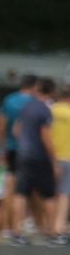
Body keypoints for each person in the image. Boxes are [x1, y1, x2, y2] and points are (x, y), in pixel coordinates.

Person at [11, 77, 65, 244]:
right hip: (39, 156)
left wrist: (25, 144)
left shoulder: (27, 106)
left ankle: (16, 232)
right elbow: (45, 137)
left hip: (23, 154)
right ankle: (53, 233)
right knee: (48, 194)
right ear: (51, 92)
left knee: (21, 194)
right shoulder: (44, 110)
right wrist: (54, 160)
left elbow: (16, 130)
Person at [0, 73, 36, 236]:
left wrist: (2, 148)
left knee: (9, 189)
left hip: (11, 149)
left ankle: (6, 227)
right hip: (30, 151)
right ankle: (22, 225)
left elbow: (1, 127)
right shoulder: (34, 103)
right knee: (27, 191)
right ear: (34, 87)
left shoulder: (9, 100)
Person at [51, 83, 70, 239]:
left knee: (51, 193)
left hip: (49, 157)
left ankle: (49, 225)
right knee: (64, 193)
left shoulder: (49, 110)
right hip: (67, 156)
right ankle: (59, 226)